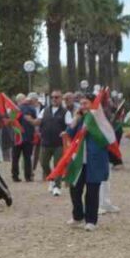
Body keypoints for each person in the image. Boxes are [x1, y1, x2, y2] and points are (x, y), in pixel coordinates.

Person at [64, 97, 110, 231]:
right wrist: (75, 119)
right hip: (78, 160)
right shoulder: (81, 119)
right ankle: (78, 216)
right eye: (81, 104)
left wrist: (90, 127)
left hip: (94, 161)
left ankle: (91, 221)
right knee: (74, 189)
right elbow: (69, 134)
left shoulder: (100, 120)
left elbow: (107, 139)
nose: (82, 106)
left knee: (92, 191)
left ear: (93, 104)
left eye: (85, 103)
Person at [38, 90, 70, 196]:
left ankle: (57, 186)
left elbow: (69, 125)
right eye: (52, 97)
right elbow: (38, 121)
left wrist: (66, 133)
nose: (54, 99)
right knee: (43, 163)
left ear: (61, 99)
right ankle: (51, 179)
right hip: (45, 142)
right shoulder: (45, 110)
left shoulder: (66, 112)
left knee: (58, 165)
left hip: (59, 143)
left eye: (56, 97)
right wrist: (29, 120)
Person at [13, 93, 40, 182]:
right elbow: (35, 122)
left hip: (17, 136)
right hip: (28, 136)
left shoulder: (15, 109)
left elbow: (11, 121)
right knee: (27, 157)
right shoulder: (32, 109)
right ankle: (28, 176)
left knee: (15, 157)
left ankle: (15, 176)